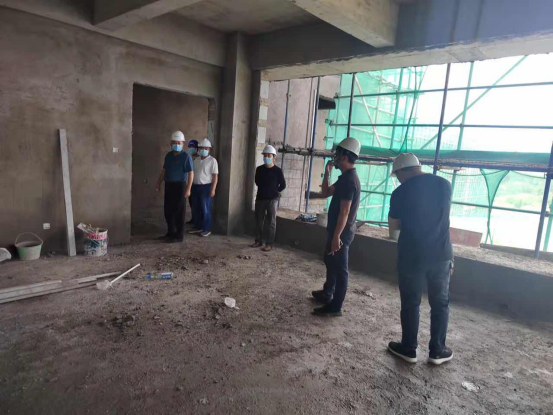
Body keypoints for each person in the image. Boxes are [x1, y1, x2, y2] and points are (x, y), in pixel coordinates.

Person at [386, 153, 454, 365]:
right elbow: (443, 219)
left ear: (402, 171)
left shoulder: (400, 192)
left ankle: (408, 349)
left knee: (410, 302)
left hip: (411, 255)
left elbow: (394, 227)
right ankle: (437, 351)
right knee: (440, 303)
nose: (398, 179)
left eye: (397, 175)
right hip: (441, 254)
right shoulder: (444, 185)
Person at [311, 137, 361, 317]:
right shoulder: (344, 178)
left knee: (340, 269)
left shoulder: (350, 181)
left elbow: (345, 212)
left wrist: (336, 237)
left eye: (338, 154)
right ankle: (327, 293)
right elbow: (325, 193)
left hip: (342, 232)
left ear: (345, 156)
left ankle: (335, 306)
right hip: (336, 230)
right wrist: (327, 173)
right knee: (330, 261)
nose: (336, 157)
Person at [155, 131, 194, 243]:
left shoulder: (186, 157)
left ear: (183, 143)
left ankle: (179, 236)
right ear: (171, 143)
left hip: (180, 186)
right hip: (169, 185)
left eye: (179, 143)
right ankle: (170, 232)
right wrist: (158, 183)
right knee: (168, 210)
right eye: (174, 142)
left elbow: (191, 173)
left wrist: (188, 189)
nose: (177, 145)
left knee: (179, 212)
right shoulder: (168, 156)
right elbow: (164, 170)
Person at [252, 145, 286, 252]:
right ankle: (258, 241)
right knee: (259, 221)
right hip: (260, 198)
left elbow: (283, 185)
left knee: (271, 222)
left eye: (269, 155)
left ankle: (269, 244)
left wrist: (276, 192)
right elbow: (257, 182)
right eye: (265, 155)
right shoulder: (259, 169)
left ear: (273, 157)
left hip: (272, 200)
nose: (266, 157)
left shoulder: (278, 171)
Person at [188, 138, 218, 237]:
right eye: (201, 148)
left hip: (206, 187)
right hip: (195, 186)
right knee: (196, 208)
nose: (203, 150)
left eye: (206, 148)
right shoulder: (196, 160)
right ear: (199, 149)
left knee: (205, 209)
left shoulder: (212, 161)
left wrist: (213, 189)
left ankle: (206, 229)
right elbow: (192, 174)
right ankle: (198, 227)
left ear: (209, 149)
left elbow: (215, 176)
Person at [187, 140, 199, 225]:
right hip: (190, 184)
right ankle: (193, 219)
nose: (191, 149)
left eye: (193, 147)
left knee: (197, 204)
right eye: (190, 147)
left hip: (197, 184)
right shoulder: (188, 157)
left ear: (197, 149)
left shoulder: (200, 158)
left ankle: (198, 221)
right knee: (191, 203)